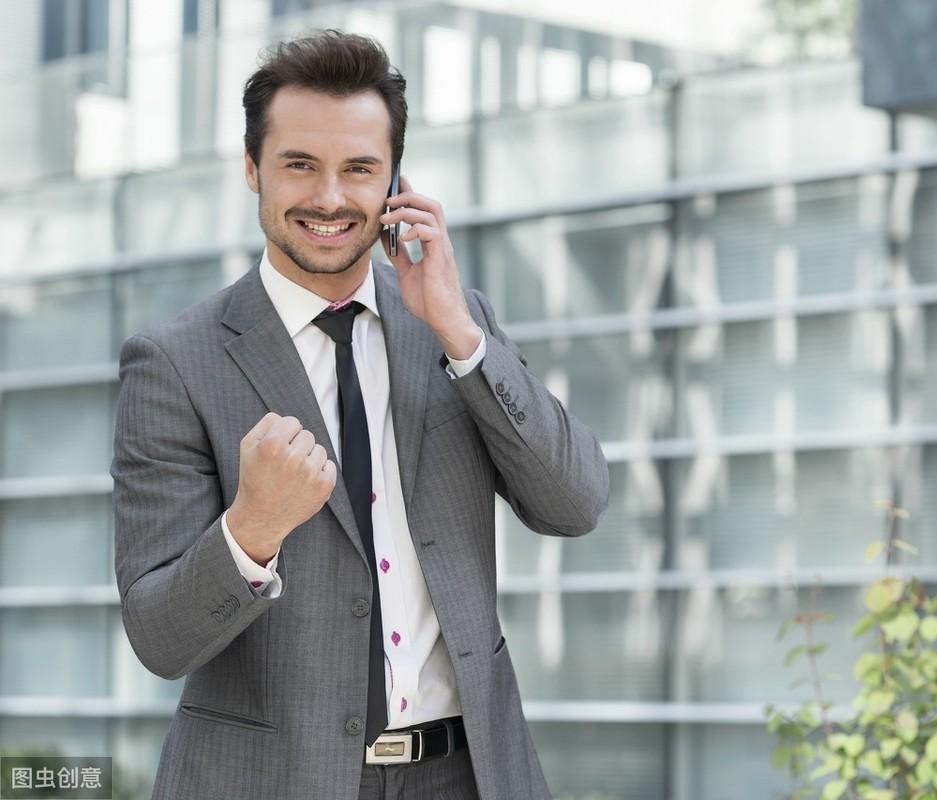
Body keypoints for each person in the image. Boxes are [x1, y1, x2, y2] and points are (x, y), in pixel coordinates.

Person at [110, 29, 609, 800]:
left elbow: (575, 504)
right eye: (300, 165)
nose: (331, 198)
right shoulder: (175, 362)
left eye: (360, 169)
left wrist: (461, 336)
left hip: (465, 776)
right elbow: (158, 637)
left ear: (395, 183)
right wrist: (252, 530)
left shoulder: (453, 325)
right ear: (252, 170)